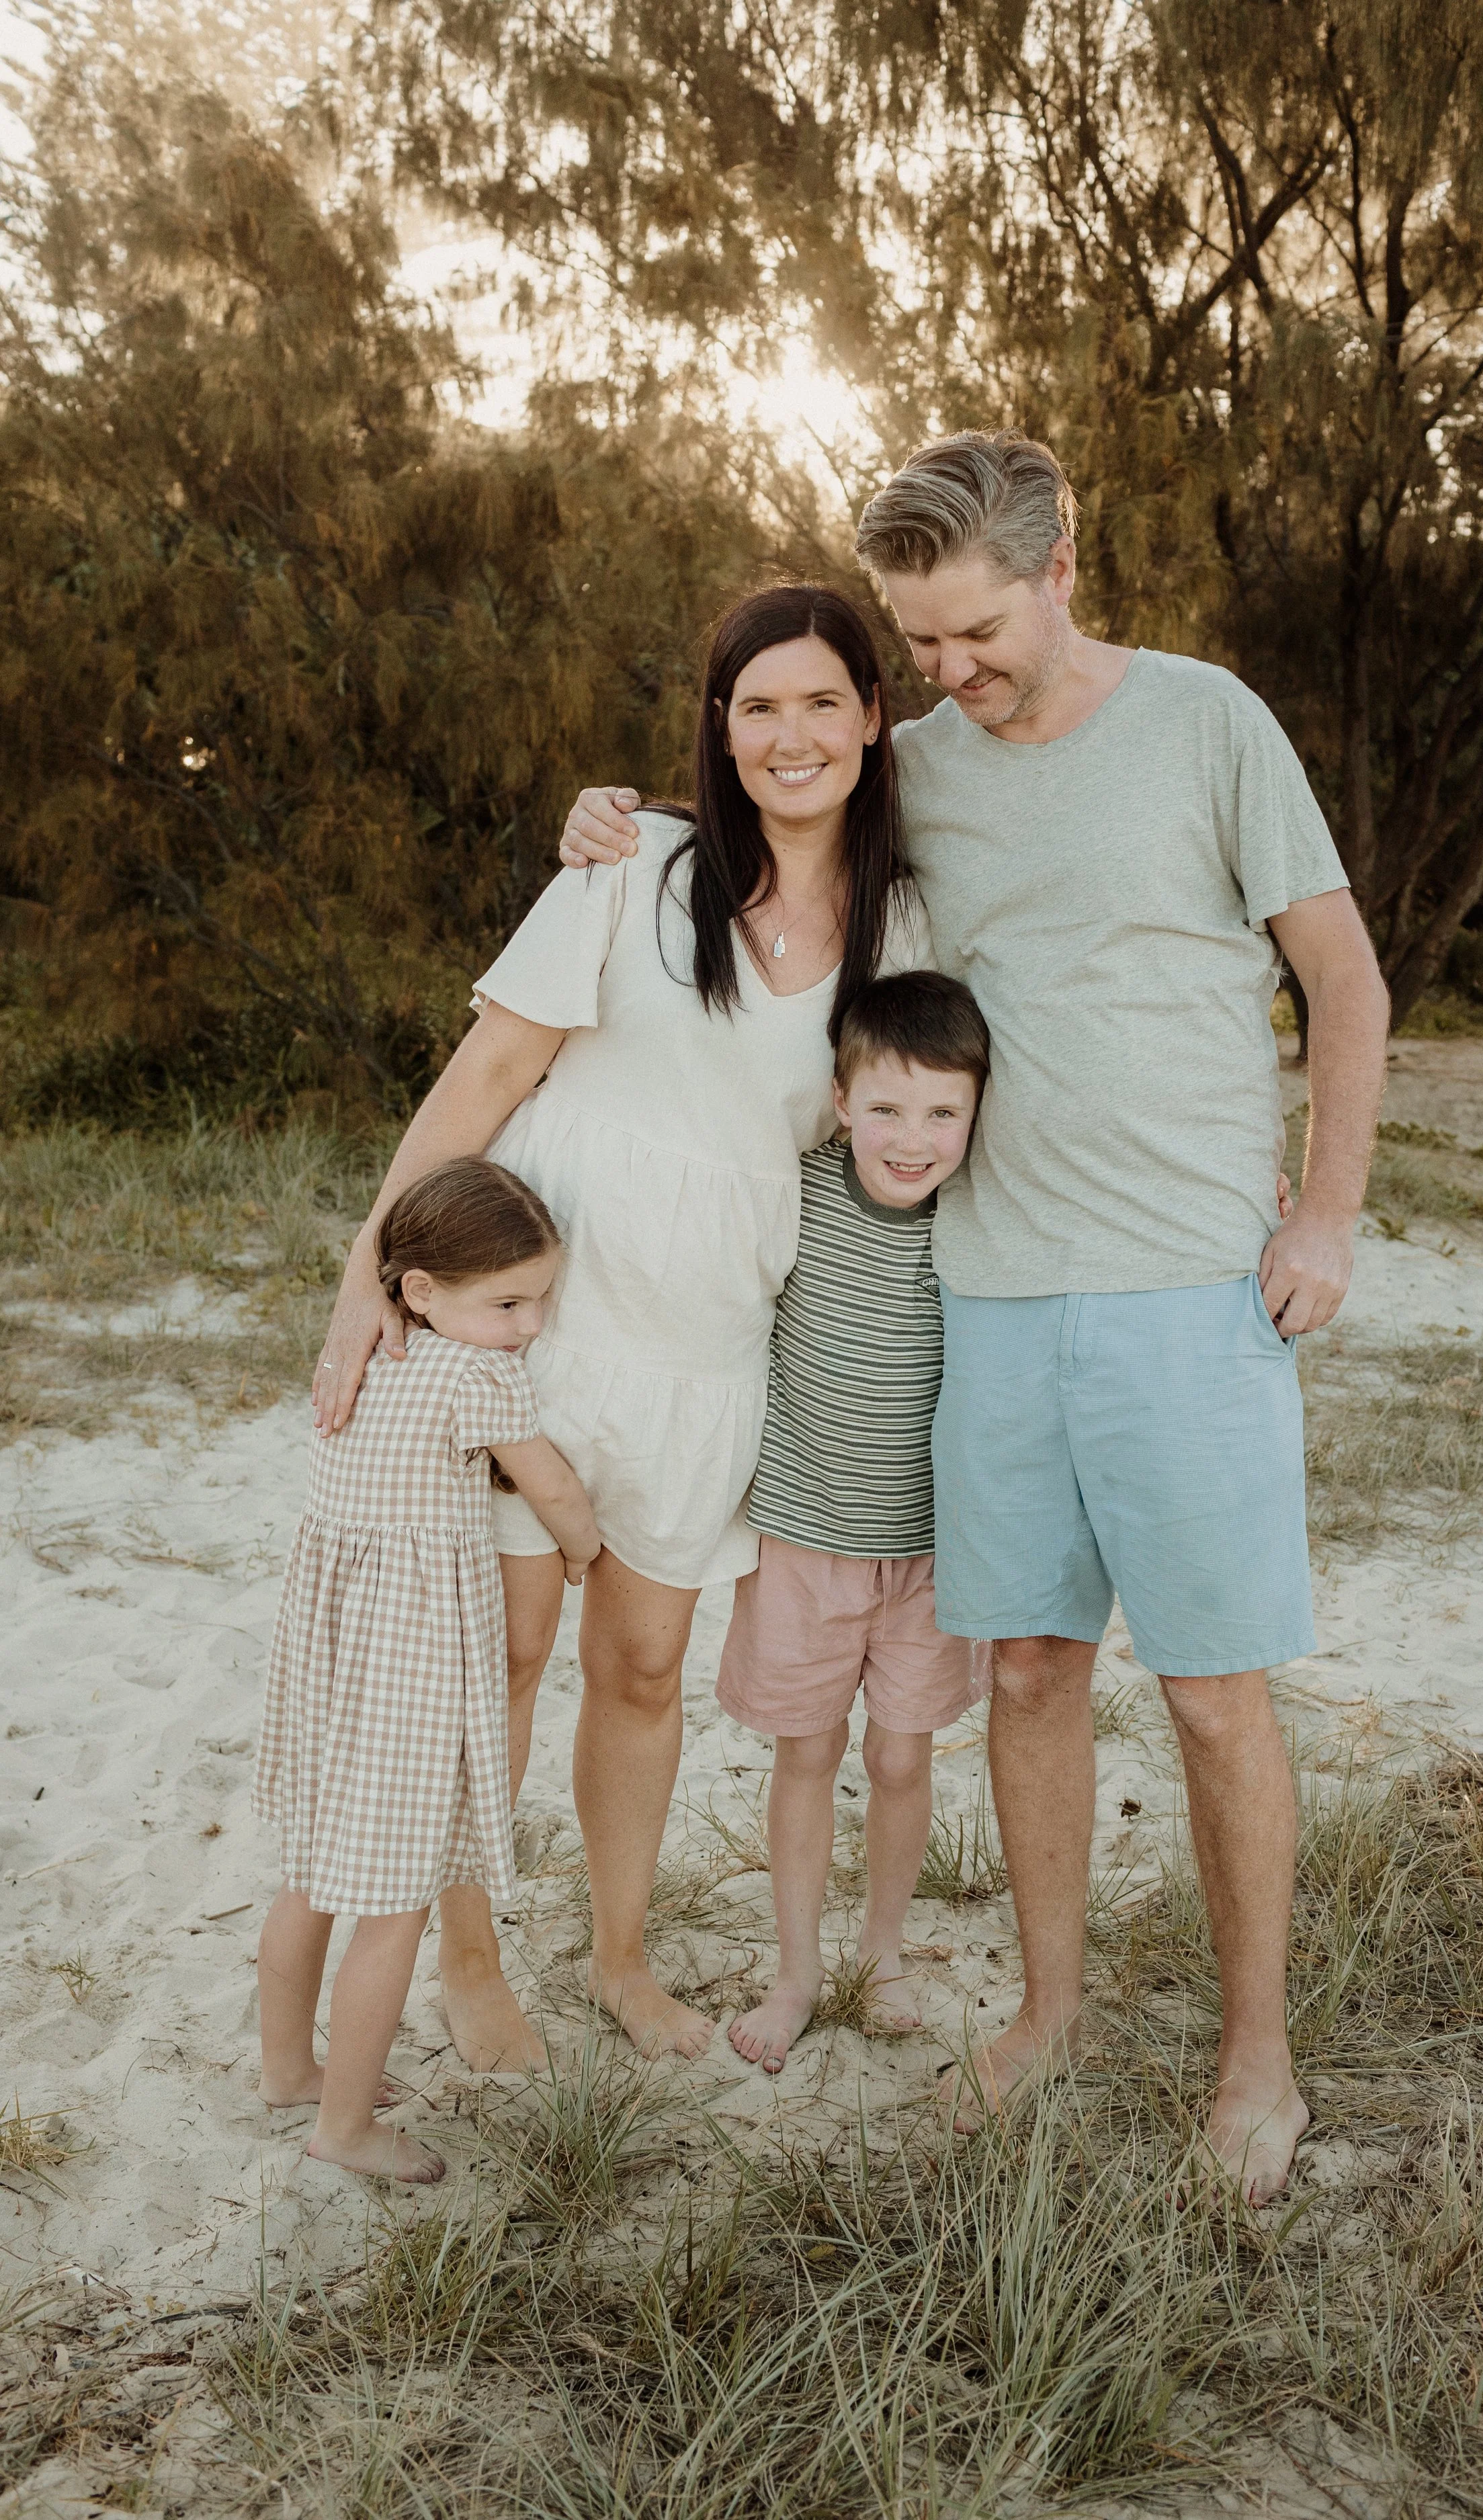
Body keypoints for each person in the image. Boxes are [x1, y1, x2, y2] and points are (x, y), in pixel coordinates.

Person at [558, 434, 1392, 2201]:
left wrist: (1324, 1209)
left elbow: (1341, 974)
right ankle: (1048, 2015)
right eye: (920, 642)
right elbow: (775, 807)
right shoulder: (917, 763)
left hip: (1188, 1287)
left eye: (976, 632)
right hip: (991, 1296)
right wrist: (614, 823)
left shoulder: (1206, 722)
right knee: (1025, 1670)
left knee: (1214, 1695)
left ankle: (1256, 2054)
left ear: (1060, 568)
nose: (949, 672)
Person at [310, 585, 932, 2069]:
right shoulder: (633, 865)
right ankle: (471, 1965)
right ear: (721, 726)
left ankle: (619, 1957)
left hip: (710, 1350)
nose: (790, 734)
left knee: (644, 1667)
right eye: (757, 705)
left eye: (821, 701)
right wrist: (364, 1282)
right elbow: (484, 1079)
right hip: (535, 1331)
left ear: (871, 718)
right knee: (504, 1655)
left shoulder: (906, 919)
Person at [255, 1159, 601, 2181]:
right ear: (420, 1291)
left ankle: (287, 2068)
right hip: (408, 1665)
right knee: (397, 1902)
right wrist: (582, 1549)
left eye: (541, 1300)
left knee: (308, 1876)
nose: (530, 1325)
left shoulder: (363, 1362)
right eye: (508, 1303)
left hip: (328, 1651)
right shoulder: (474, 1376)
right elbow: (551, 1487)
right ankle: (346, 2129)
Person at [720, 971, 991, 2073]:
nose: (912, 1139)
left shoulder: (983, 1215)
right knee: (807, 1749)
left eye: (942, 1112)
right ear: (841, 1101)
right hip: (804, 1534)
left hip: (927, 1551)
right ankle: (795, 1970)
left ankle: (881, 1952)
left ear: (976, 1114)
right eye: (886, 1108)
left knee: (899, 1756)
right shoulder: (799, 1190)